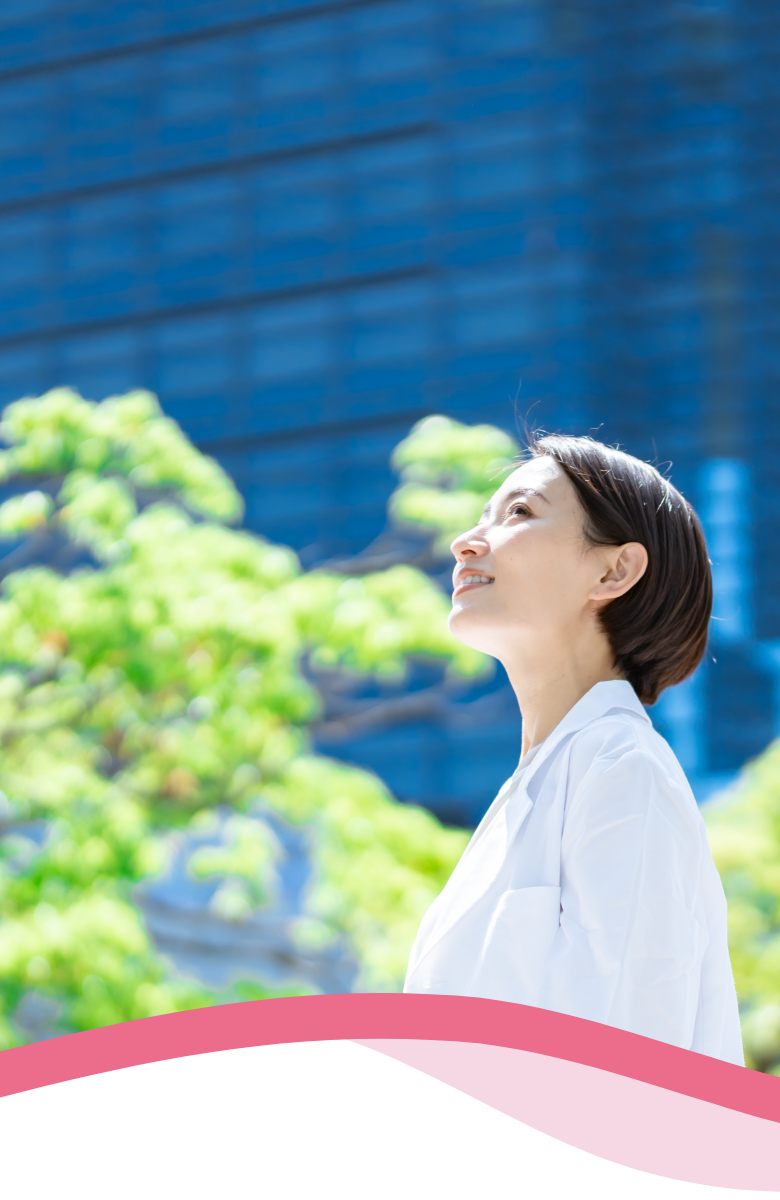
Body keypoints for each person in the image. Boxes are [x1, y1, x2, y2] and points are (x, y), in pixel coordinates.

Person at [403, 434, 744, 1066]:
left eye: (520, 513)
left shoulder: (623, 770)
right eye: (482, 516)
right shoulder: (538, 788)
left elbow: (623, 1070)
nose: (465, 541)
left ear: (613, 571)